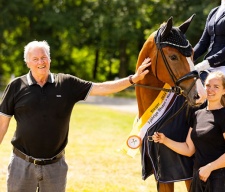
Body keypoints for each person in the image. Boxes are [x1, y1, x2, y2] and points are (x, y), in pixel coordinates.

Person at [0, 40, 151, 192]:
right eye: (35, 59)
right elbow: (2, 124)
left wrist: (133, 79)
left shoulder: (66, 83)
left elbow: (101, 88)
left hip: (55, 167)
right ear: (27, 62)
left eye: (44, 57)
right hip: (21, 164)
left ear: (50, 59)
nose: (41, 62)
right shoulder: (16, 86)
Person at [152, 71, 225, 192]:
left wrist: (209, 168)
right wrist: (165, 140)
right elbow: (189, 149)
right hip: (199, 178)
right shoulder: (197, 114)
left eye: (216, 87)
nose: (210, 89)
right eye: (208, 85)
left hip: (221, 180)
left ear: (224, 90)